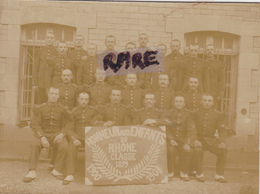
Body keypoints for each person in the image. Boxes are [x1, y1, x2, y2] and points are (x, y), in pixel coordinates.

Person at [23, 87, 69, 182]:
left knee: (64, 146)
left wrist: (62, 134)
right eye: (52, 93)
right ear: (48, 94)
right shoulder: (40, 108)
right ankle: (32, 171)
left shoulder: (62, 109)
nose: (53, 96)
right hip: (43, 134)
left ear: (58, 96)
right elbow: (35, 124)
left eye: (56, 94)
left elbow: (66, 124)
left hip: (57, 134)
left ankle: (57, 170)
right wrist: (42, 137)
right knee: (35, 144)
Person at [63, 92, 101, 185]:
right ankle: (70, 174)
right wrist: (74, 139)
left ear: (88, 100)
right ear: (78, 100)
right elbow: (69, 129)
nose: (84, 101)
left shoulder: (93, 111)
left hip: (90, 137)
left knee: (98, 148)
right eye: (82, 99)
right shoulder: (73, 112)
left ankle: (98, 174)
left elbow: (96, 124)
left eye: (86, 99)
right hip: (77, 138)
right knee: (71, 147)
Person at [193, 94, 228, 183]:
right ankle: (199, 173)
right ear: (201, 102)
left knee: (223, 150)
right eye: (205, 100)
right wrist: (194, 140)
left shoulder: (217, 114)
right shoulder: (195, 113)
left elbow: (222, 129)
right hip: (199, 139)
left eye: (209, 101)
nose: (207, 103)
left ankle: (219, 175)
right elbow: (191, 128)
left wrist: (222, 141)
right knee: (197, 150)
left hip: (211, 140)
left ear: (212, 103)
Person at [161, 95, 196, 181]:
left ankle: (184, 172)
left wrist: (187, 143)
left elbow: (191, 130)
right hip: (171, 140)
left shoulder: (189, 114)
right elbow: (166, 128)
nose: (178, 103)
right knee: (170, 150)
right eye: (177, 101)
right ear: (173, 103)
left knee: (188, 150)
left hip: (183, 140)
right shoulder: (167, 113)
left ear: (184, 104)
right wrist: (171, 139)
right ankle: (170, 172)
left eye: (181, 101)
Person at [32, 32, 58, 103]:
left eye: (51, 38)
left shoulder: (57, 52)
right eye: (48, 38)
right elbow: (35, 68)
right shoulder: (40, 51)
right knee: (41, 102)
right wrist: (35, 83)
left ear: (54, 40)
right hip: (41, 81)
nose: (49, 39)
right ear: (45, 39)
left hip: (52, 81)